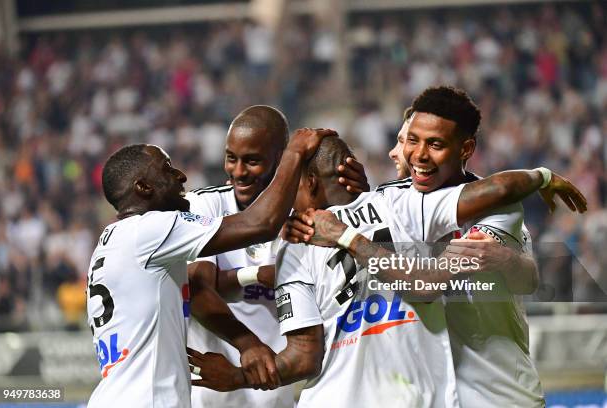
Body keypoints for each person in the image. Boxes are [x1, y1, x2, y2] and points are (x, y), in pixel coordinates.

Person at [187, 135, 585, 407]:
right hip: (420, 396)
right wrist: (542, 176)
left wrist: (239, 376)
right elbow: (494, 190)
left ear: (309, 181)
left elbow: (304, 358)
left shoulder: (296, 244)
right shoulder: (403, 204)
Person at [291, 86, 585, 407]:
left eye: (434, 144)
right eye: (410, 140)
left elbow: (433, 284)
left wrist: (505, 259)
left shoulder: (498, 208)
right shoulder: (391, 199)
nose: (413, 153)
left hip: (497, 393)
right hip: (429, 395)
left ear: (465, 148)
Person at [86, 126, 335, 408]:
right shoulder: (149, 230)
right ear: (143, 188)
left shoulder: (113, 243)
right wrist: (295, 152)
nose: (181, 176)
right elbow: (260, 224)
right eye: (167, 169)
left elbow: (199, 283)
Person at [185, 105, 296, 407]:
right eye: (231, 158)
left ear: (281, 158)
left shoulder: (304, 214)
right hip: (214, 392)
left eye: (252, 161)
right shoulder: (204, 206)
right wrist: (258, 276)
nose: (238, 171)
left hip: (279, 388)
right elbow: (196, 289)